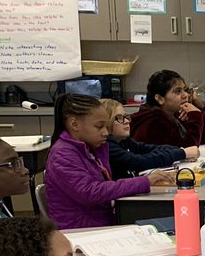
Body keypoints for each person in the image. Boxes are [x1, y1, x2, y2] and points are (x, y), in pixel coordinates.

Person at [44, 94, 171, 230]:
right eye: (99, 127)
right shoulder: (63, 154)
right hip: (80, 231)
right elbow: (91, 192)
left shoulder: (92, 147)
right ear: (74, 124)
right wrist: (144, 181)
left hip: (100, 223)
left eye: (106, 126)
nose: (105, 132)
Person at [102, 98, 197, 181]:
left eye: (126, 117)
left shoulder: (123, 140)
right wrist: (182, 153)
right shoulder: (108, 147)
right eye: (119, 118)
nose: (126, 121)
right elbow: (140, 161)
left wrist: (180, 151)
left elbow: (148, 148)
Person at [129, 70, 205, 147]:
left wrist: (197, 113)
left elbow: (203, 139)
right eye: (177, 91)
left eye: (185, 90)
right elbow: (188, 149)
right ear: (160, 99)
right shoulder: (153, 122)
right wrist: (196, 116)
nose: (185, 95)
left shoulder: (173, 114)